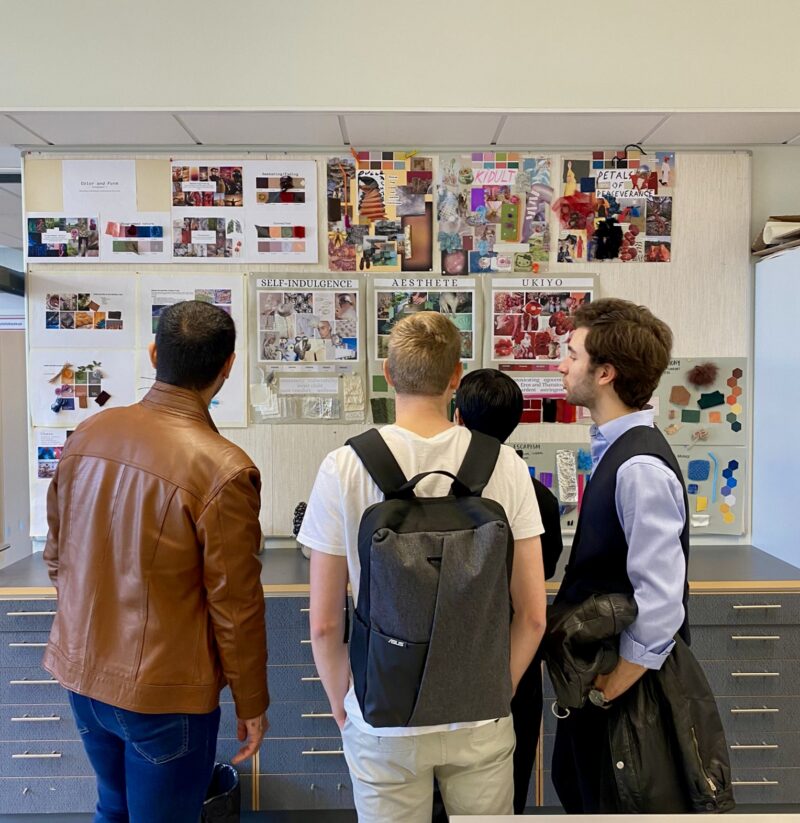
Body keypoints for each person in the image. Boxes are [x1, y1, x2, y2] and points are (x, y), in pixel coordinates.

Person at [298, 312, 547, 823]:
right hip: (480, 709)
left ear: (388, 374)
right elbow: (533, 615)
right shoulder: (505, 464)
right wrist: (499, 687)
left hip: (384, 714)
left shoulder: (344, 466)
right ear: (456, 376)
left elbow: (324, 623)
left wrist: (344, 703)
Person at [42, 300, 269, 823]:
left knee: (112, 808)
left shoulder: (87, 435)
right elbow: (235, 608)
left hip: (82, 676)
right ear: (228, 366)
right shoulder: (225, 469)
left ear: (153, 353)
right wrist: (252, 702)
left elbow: (58, 558)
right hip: (165, 696)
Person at [551, 297, 689, 813]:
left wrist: (610, 689)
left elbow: (661, 603)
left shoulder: (639, 469)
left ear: (605, 372)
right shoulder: (617, 450)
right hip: (605, 681)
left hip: (625, 691)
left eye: (571, 354)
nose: (562, 364)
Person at [450, 368, 564, 815]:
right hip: (514, 663)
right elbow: (543, 578)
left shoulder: (437, 490)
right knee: (506, 792)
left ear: (457, 416)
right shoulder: (540, 498)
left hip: (445, 656)